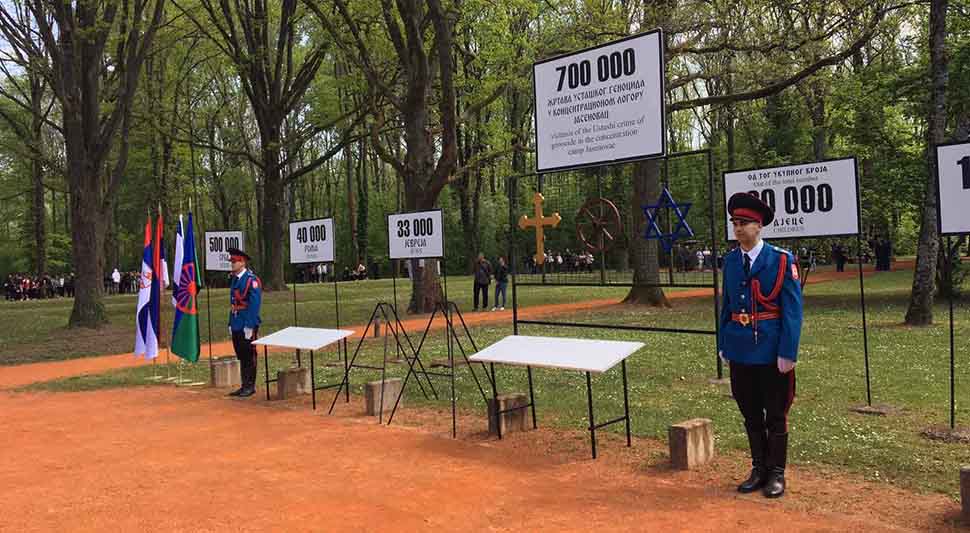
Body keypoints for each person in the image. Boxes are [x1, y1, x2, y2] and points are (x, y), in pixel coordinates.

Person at [719, 192, 803, 499]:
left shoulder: (781, 260)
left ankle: (777, 473)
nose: (738, 228)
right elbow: (726, 305)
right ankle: (758, 469)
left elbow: (792, 312)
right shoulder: (730, 261)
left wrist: (788, 352)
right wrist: (723, 343)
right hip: (740, 349)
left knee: (776, 415)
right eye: (734, 223)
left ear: (759, 226)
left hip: (771, 351)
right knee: (751, 414)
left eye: (744, 223)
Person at [227, 248, 262, 397]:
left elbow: (254, 305)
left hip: (247, 322)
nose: (232, 264)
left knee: (249, 354)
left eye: (234, 262)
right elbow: (233, 302)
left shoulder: (251, 280)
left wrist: (249, 325)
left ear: (242, 262)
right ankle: (244, 385)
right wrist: (230, 322)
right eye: (232, 261)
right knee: (241, 354)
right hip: (236, 321)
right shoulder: (235, 279)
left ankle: (250, 386)